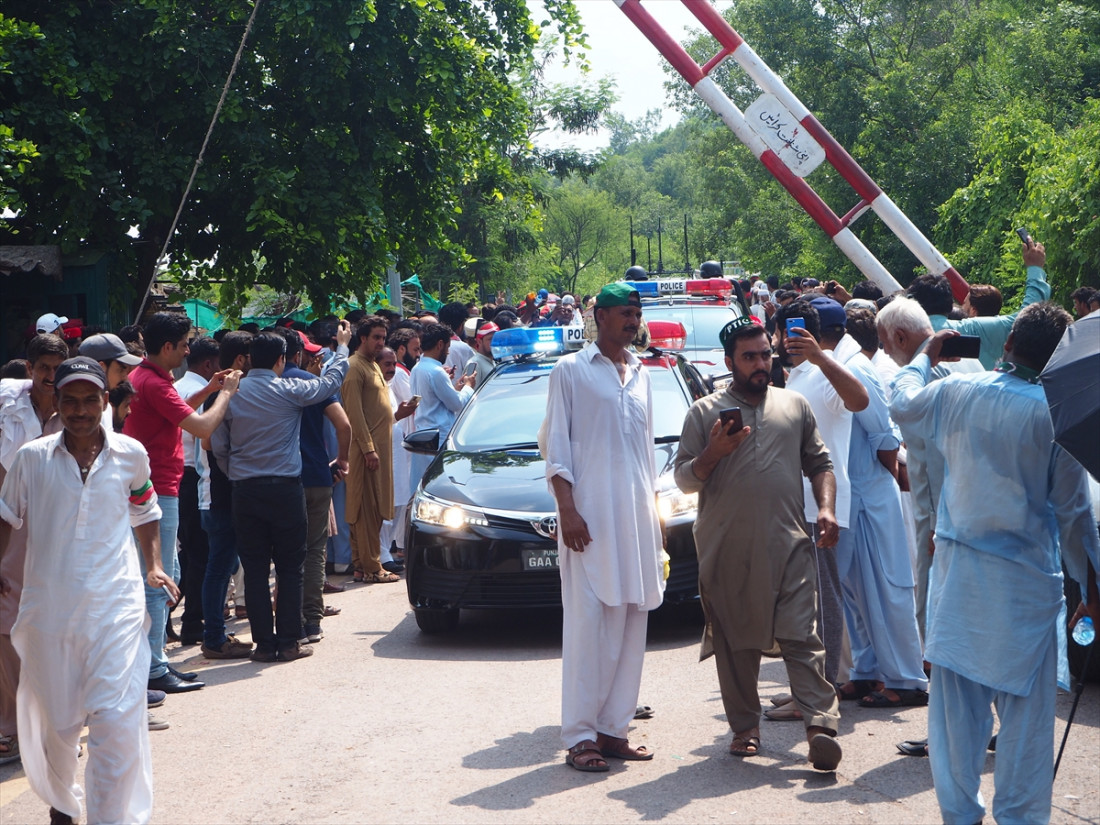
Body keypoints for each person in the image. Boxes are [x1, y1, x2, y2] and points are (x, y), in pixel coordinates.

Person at [889, 304, 1100, 824]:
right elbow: (1074, 517)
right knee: (1026, 728)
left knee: (954, 724)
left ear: (1006, 345)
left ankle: (959, 816)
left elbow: (901, 403)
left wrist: (925, 355)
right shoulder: (1054, 417)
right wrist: (1093, 591)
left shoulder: (956, 391)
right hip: (1023, 593)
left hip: (959, 583)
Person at [0, 357, 178, 825]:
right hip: (50, 611)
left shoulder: (130, 454)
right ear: (56, 402)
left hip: (116, 605)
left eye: (90, 400)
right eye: (70, 400)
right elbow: (6, 516)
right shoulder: (31, 459)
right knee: (59, 726)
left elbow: (146, 509)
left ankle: (109, 818)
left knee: (116, 721)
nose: (80, 410)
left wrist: (154, 565)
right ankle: (63, 801)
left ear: (105, 401)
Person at [673, 315, 843, 771]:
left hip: (789, 544)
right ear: (729, 362)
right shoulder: (704, 413)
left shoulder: (794, 405)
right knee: (736, 644)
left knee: (802, 637)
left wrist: (826, 509)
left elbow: (820, 463)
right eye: (749, 357)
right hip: (727, 548)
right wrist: (713, 453)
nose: (760, 364)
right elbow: (684, 479)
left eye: (765, 354)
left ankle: (820, 727)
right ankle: (745, 728)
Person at [543, 283, 665, 772]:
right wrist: (568, 511)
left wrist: (656, 523)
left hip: (636, 522)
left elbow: (646, 455)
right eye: (624, 313)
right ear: (600, 317)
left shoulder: (642, 374)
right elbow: (556, 449)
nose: (633, 321)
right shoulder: (570, 370)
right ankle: (580, 736)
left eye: (637, 313)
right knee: (589, 628)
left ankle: (614, 730)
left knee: (633, 624)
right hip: (589, 523)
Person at [210, 323, 352, 662]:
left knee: (256, 570)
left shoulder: (230, 393)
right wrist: (342, 348)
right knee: (291, 567)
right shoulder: (291, 389)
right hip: (286, 490)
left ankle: (264, 645)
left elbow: (218, 446)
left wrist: (236, 474)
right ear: (281, 360)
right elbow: (330, 382)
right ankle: (289, 642)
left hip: (245, 490)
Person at [123, 312, 239, 693]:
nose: (189, 350)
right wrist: (225, 394)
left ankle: (155, 661)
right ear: (168, 346)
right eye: (185, 344)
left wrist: (209, 390)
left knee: (164, 573)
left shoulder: (148, 377)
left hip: (158, 486)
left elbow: (177, 413)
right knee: (158, 579)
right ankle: (154, 667)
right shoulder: (154, 382)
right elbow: (202, 426)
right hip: (157, 488)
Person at [827, 308, 928, 708]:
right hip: (852, 497)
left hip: (872, 495)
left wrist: (889, 480)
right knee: (855, 593)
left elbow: (883, 435)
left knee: (887, 590)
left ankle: (907, 680)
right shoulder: (836, 364)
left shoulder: (856, 367)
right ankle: (866, 671)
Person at [875, 298, 983, 645]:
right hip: (974, 508)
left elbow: (937, 458)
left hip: (942, 518)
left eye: (885, 342)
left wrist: (938, 524)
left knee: (939, 618)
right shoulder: (968, 361)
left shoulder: (925, 375)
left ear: (901, 337)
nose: (885, 352)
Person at [775, 298, 868, 690]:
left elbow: (859, 400)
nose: (783, 340)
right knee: (802, 604)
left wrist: (819, 357)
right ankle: (807, 689)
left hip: (822, 508)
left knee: (824, 599)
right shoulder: (795, 377)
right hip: (796, 505)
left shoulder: (825, 371)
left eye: (786, 332)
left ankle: (822, 690)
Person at [0, 333, 68, 769]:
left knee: (56, 625)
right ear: (30, 368)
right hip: (9, 525)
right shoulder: (7, 405)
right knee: (6, 625)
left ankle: (57, 727)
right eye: (44, 368)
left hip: (58, 530)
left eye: (57, 369)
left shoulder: (77, 406)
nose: (50, 376)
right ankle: (11, 728)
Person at [282, 329, 351, 642]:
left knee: (286, 553)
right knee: (314, 551)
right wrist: (342, 460)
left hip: (282, 479)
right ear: (297, 354)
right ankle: (312, 620)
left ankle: (291, 621)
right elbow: (343, 424)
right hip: (317, 476)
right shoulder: (311, 383)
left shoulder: (264, 385)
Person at [906, 238, 1049, 369]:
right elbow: (1028, 316)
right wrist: (1035, 268)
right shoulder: (972, 330)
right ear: (949, 305)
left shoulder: (902, 337)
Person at [197, 331, 254, 660]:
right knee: (219, 567)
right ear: (241, 359)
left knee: (225, 564)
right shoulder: (220, 394)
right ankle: (214, 638)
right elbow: (207, 441)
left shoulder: (228, 391)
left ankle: (215, 633)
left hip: (224, 494)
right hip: (220, 496)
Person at [343, 317, 405, 584]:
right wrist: (368, 449)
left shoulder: (372, 365)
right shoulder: (354, 367)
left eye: (383, 337)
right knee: (365, 510)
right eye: (376, 337)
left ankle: (362, 566)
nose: (380, 342)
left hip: (380, 451)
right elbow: (354, 414)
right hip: (365, 452)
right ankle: (372, 567)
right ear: (363, 338)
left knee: (375, 508)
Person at [172, 336, 221, 646]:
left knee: (188, 553)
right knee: (199, 554)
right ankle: (192, 621)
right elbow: (205, 436)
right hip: (193, 476)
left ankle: (180, 618)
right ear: (208, 365)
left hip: (179, 476)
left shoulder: (176, 388)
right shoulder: (201, 393)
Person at [408, 323, 475, 494]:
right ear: (440, 345)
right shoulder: (436, 371)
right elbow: (456, 404)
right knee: (440, 489)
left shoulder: (417, 368)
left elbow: (434, 399)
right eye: (447, 347)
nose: (448, 352)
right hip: (439, 437)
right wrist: (468, 387)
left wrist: (454, 388)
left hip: (423, 436)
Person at [377, 347, 418, 573]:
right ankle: (382, 554)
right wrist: (398, 416)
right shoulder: (373, 388)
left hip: (397, 451)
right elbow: (374, 422)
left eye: (394, 364)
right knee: (387, 504)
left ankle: (386, 550)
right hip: (383, 454)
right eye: (387, 364)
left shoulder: (388, 387)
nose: (392, 369)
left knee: (400, 501)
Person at [462, 322, 498, 389]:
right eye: (490, 339)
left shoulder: (493, 362)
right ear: (479, 341)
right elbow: (468, 391)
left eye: (496, 339)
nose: (494, 342)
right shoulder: (472, 364)